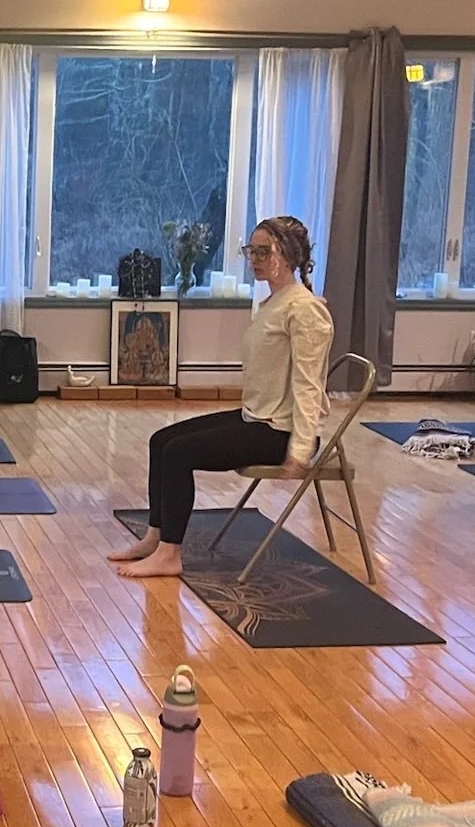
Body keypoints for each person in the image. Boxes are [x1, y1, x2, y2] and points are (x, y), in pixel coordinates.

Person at [111, 215, 335, 579]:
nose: (255, 258)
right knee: (161, 440)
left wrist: (300, 448)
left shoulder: (304, 309)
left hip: (280, 432)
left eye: (264, 251)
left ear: (289, 255)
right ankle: (155, 536)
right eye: (252, 250)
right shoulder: (274, 303)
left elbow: (310, 385)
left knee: (178, 453)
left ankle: (171, 554)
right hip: (256, 418)